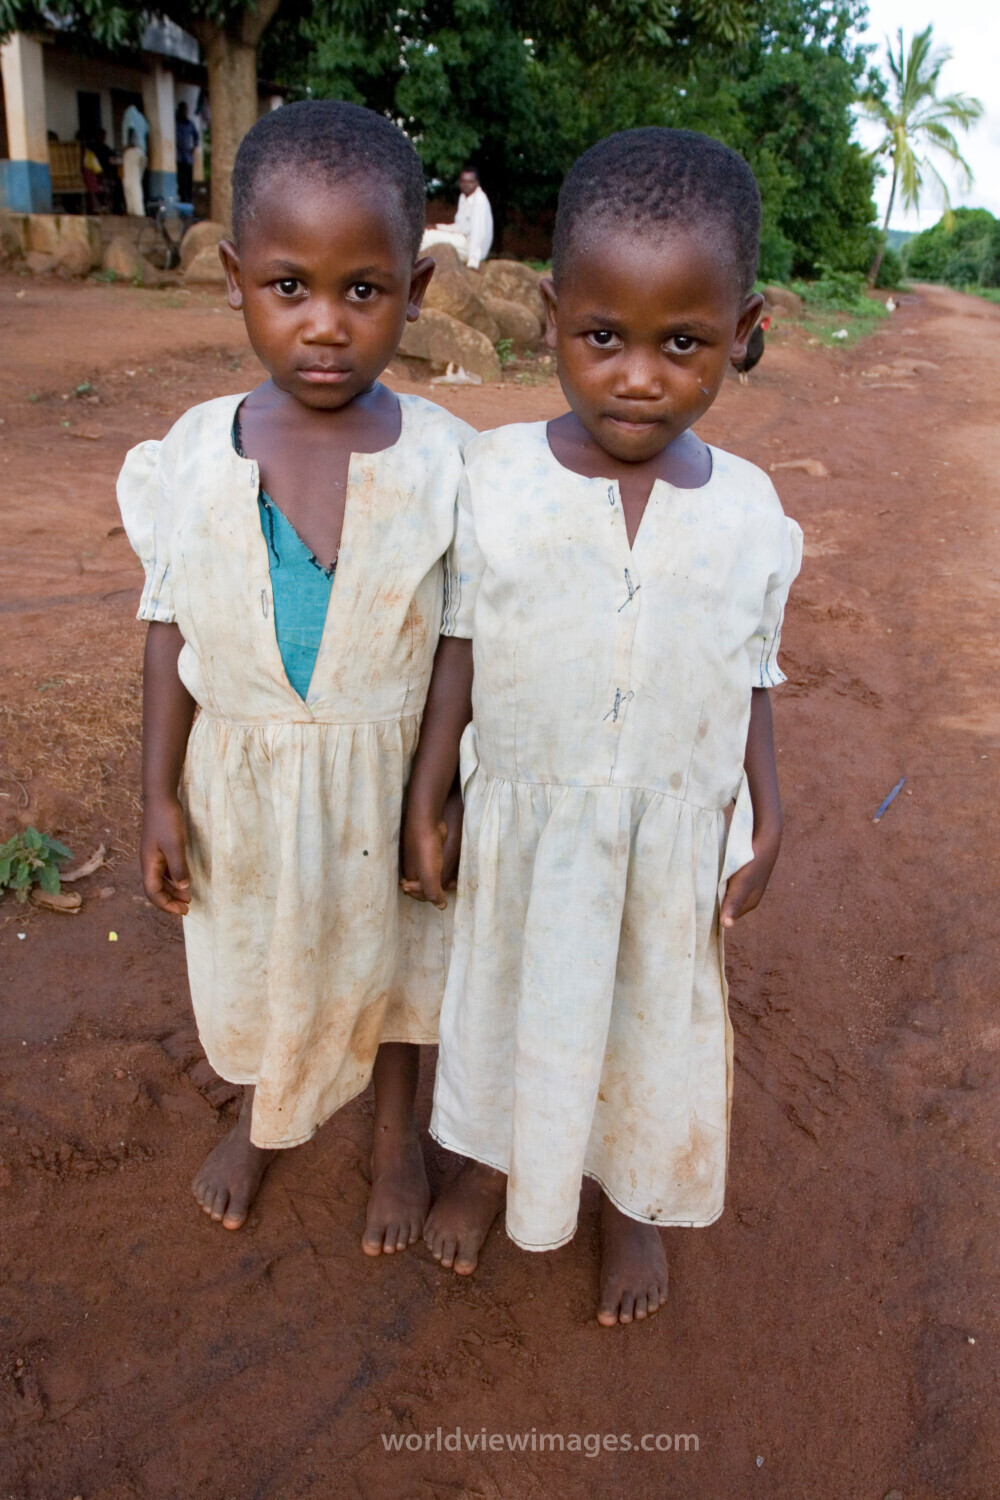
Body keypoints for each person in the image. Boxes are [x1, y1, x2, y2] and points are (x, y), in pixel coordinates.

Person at [403, 128, 802, 1324]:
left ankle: (630, 1206)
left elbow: (752, 673)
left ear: (745, 328)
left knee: (642, 1019)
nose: (638, 374)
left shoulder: (751, 514)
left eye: (682, 342)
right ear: (548, 313)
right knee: (500, 1003)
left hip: (665, 835)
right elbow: (462, 639)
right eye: (603, 337)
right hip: (524, 812)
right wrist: (432, 792)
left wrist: (769, 808)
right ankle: (484, 1168)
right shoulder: (500, 473)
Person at [117, 100, 471, 1252]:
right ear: (233, 277)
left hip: (393, 779)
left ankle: (394, 1138)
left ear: (414, 290)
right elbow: (170, 622)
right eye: (288, 287)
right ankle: (269, 1120)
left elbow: (466, 633)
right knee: (268, 949)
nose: (326, 326)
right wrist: (157, 792)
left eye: (362, 291)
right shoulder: (192, 452)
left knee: (404, 960)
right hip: (248, 785)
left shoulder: (444, 460)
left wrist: (436, 793)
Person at [421, 165, 493, 271]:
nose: (466, 185)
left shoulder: (479, 200)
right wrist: (437, 227)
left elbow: (478, 234)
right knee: (427, 232)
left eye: (470, 182)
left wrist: (473, 261)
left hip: (472, 249)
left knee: (427, 237)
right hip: (463, 240)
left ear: (477, 183)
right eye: (463, 181)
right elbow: (460, 227)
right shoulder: (463, 198)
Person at [175, 100, 199, 205]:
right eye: (183, 110)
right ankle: (183, 199)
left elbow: (196, 136)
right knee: (181, 179)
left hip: (188, 157)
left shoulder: (190, 124)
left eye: (186, 110)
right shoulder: (177, 124)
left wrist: (194, 146)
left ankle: (189, 200)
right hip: (180, 157)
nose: (185, 112)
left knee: (188, 180)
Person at [121, 128, 146, 218]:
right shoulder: (139, 152)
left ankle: (136, 211)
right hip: (141, 153)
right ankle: (135, 211)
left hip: (131, 154)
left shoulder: (127, 152)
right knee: (135, 188)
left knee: (131, 188)